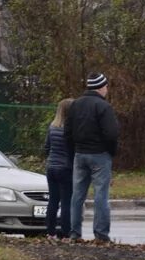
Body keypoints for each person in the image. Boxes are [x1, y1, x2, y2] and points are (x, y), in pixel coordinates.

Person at [64, 72, 120, 242]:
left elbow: (67, 133)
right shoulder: (103, 107)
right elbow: (112, 133)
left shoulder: (75, 105)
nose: (107, 89)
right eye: (106, 86)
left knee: (77, 196)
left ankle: (74, 233)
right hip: (99, 155)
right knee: (100, 195)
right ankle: (101, 234)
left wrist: (73, 152)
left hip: (80, 154)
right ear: (101, 87)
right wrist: (111, 152)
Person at [42, 98, 75, 239]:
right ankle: (66, 232)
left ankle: (50, 232)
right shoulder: (71, 129)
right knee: (66, 201)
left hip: (51, 167)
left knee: (53, 200)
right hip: (65, 168)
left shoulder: (52, 126)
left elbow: (46, 147)